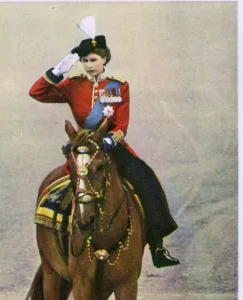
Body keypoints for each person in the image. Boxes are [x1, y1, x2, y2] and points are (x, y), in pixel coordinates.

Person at [29, 28, 180, 268]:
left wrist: (110, 140)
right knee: (61, 190)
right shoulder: (72, 84)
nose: (89, 65)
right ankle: (56, 237)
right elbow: (37, 92)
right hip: (82, 149)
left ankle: (157, 246)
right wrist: (57, 71)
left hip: (111, 148)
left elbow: (121, 124)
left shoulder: (117, 86)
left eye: (93, 60)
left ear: (104, 59)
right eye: (84, 60)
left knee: (146, 180)